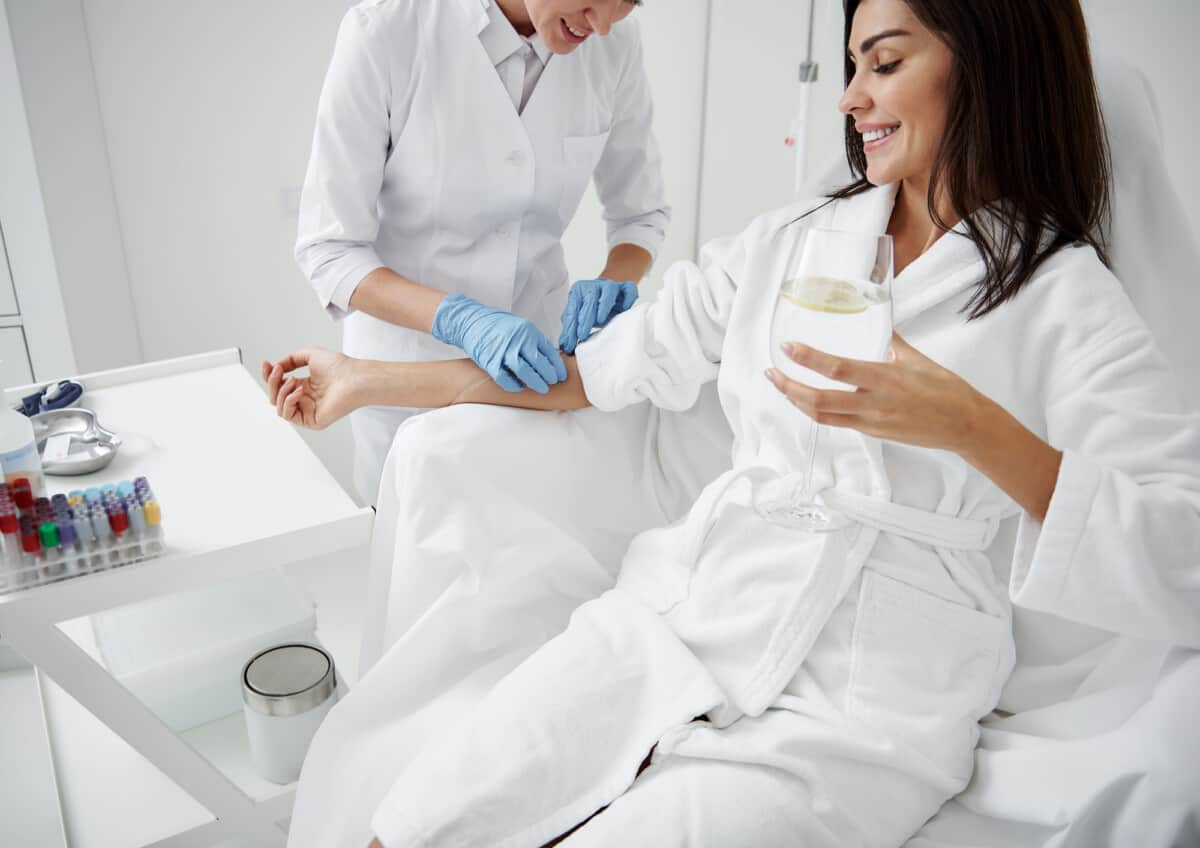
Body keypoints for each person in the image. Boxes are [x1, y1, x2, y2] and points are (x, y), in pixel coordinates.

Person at [267, 0, 1200, 844]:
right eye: (850, 68)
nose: (850, 99)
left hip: (866, 702)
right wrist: (365, 377)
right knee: (424, 814)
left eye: (882, 64)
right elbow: (584, 377)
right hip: (687, 615)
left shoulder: (1064, 297)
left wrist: (974, 428)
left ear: (987, 62)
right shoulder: (795, 243)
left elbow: (1183, 546)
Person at [294, 0, 667, 503]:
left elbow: (640, 215)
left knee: (531, 550)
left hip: (535, 370)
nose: (600, 25)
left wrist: (616, 277)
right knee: (414, 560)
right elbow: (331, 249)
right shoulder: (384, 32)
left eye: (627, 3)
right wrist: (460, 318)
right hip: (403, 377)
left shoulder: (614, 45)